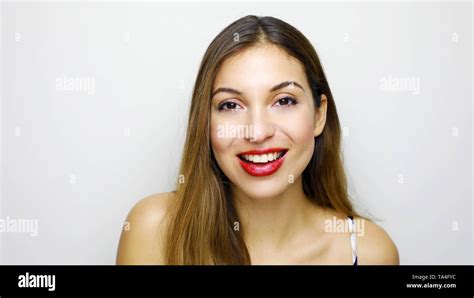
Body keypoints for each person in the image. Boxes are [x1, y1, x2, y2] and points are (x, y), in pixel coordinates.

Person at [116, 15, 399, 265]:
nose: (257, 132)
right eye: (230, 105)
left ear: (319, 115)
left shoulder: (369, 251)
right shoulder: (154, 230)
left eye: (284, 101)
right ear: (205, 121)